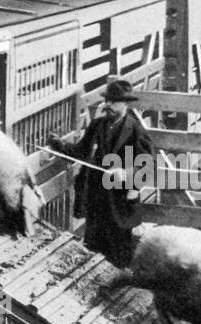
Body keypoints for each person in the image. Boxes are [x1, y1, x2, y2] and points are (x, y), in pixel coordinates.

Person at [48, 79, 155, 267]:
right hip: (96, 200)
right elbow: (81, 152)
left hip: (120, 204)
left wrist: (126, 173)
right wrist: (60, 145)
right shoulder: (98, 125)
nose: (108, 105)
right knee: (92, 251)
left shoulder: (136, 131)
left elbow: (147, 165)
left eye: (114, 102)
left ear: (126, 103)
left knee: (118, 254)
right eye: (108, 101)